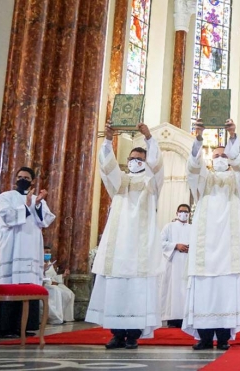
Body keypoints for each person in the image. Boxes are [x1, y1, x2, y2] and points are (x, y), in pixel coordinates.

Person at [86, 122, 164, 350]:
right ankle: (117, 334)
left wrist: (149, 138)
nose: (134, 162)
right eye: (131, 158)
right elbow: (106, 167)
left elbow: (158, 167)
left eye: (139, 159)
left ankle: (133, 335)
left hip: (140, 248)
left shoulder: (151, 184)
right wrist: (108, 140)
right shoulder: (119, 182)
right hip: (119, 246)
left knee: (138, 292)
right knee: (117, 290)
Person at [183, 120, 240, 351]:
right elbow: (193, 167)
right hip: (206, 247)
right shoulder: (204, 180)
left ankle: (223, 337)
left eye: (225, 155)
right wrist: (199, 137)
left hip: (228, 247)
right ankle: (204, 337)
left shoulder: (236, 181)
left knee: (225, 289)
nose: (221, 158)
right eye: (217, 156)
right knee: (205, 290)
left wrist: (233, 135)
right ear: (211, 160)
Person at [0, 166, 55, 338]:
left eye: (26, 178)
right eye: (20, 176)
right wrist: (27, 207)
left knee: (28, 286)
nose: (22, 179)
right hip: (11, 248)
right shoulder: (6, 196)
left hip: (30, 249)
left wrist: (36, 205)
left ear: (32, 181)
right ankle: (5, 328)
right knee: (10, 283)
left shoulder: (38, 199)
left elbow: (46, 220)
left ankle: (25, 326)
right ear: (15, 179)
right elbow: (7, 216)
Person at [159, 204, 192, 328]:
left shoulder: (192, 228)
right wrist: (176, 245)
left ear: (189, 214)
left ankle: (186, 317)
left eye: (186, 212)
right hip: (173, 263)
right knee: (173, 290)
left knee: (186, 289)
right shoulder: (169, 227)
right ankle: (172, 319)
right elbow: (161, 242)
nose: (184, 214)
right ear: (177, 212)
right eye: (181, 211)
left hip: (187, 263)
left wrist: (191, 248)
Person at [42, 246, 75, 324]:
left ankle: (66, 317)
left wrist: (63, 275)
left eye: (49, 252)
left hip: (53, 283)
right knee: (57, 291)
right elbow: (41, 277)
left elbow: (53, 276)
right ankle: (55, 318)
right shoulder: (39, 263)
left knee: (69, 293)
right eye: (46, 252)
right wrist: (50, 280)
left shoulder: (50, 263)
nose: (48, 254)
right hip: (45, 285)